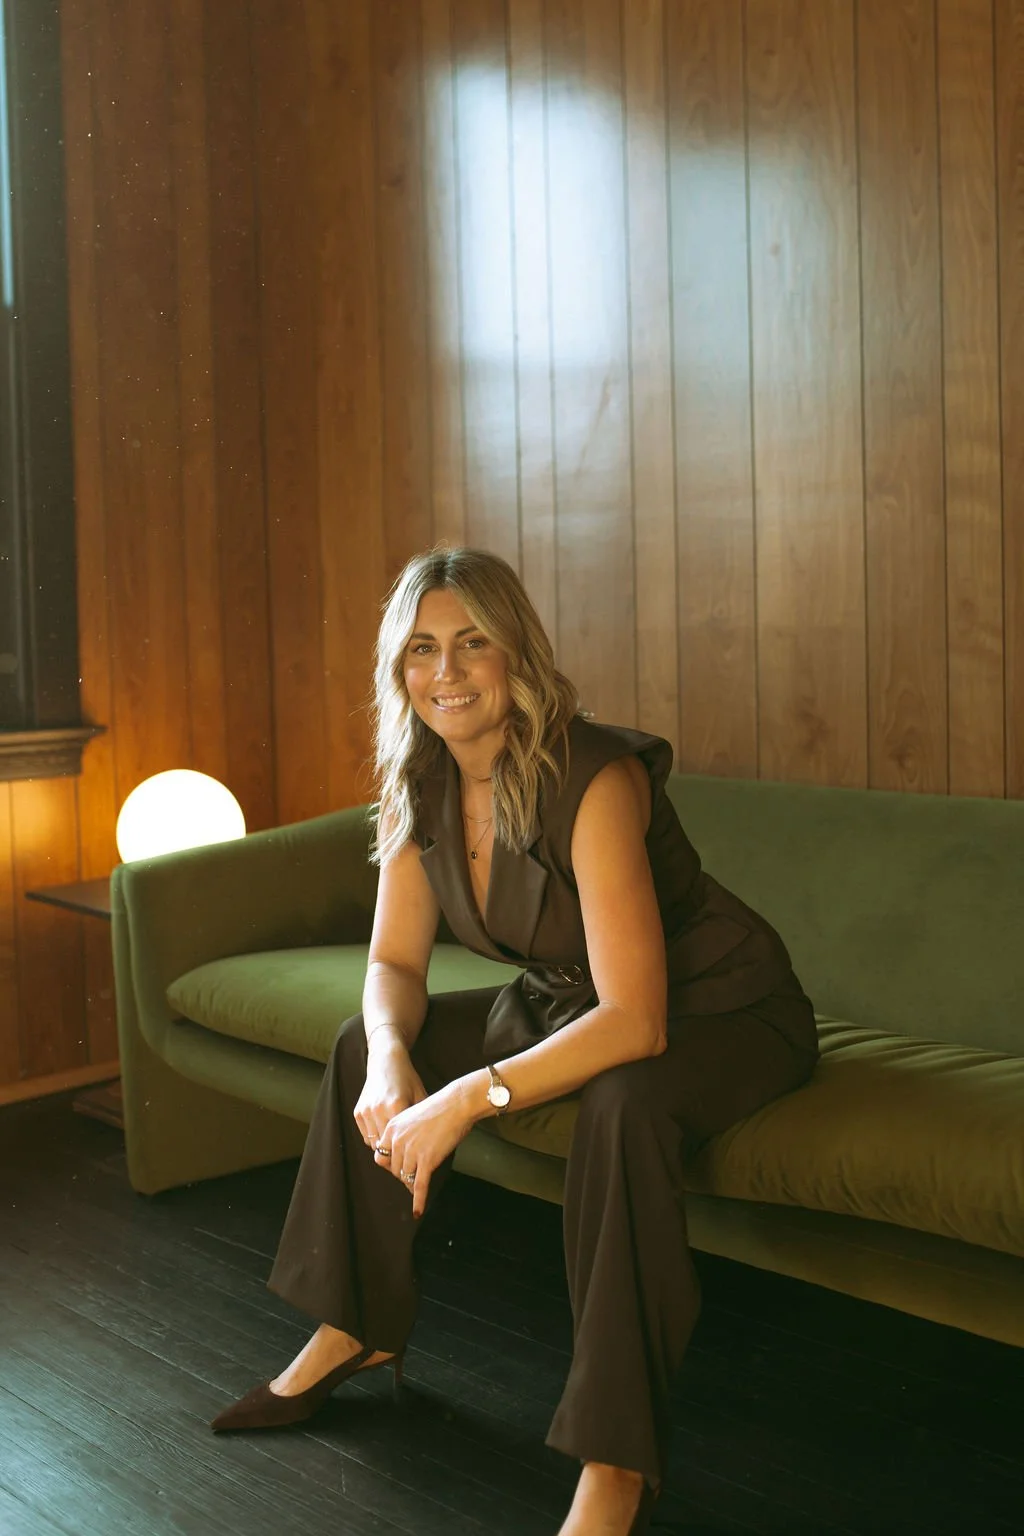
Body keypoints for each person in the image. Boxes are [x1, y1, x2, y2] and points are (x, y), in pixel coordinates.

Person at [210, 545, 820, 1535]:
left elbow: (637, 1019)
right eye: (419, 650)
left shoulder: (596, 778)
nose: (444, 673)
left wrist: (466, 1096)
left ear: (516, 657)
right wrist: (396, 1060)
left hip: (724, 1007)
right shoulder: (419, 787)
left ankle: (617, 1458)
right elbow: (393, 969)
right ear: (397, 671)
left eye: (470, 644)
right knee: (362, 1051)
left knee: (623, 1108)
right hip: (567, 1002)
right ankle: (355, 1327)